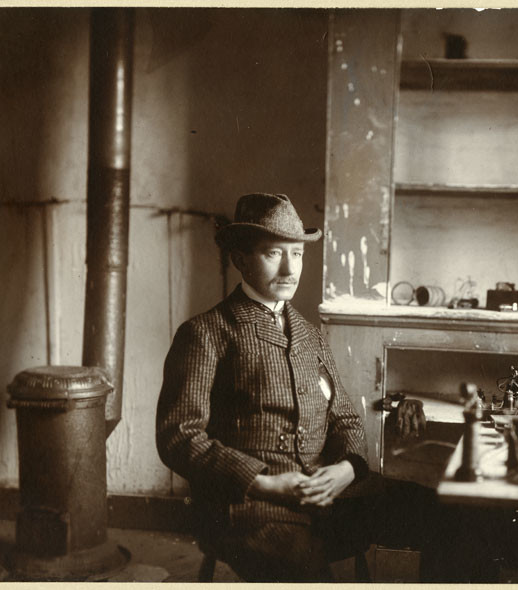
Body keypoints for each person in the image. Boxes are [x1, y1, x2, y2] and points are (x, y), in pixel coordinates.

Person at [156, 192, 368, 582]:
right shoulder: (206, 333)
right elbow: (178, 436)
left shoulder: (310, 336)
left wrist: (346, 470)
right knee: (308, 575)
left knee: (442, 516)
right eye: (273, 253)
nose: (290, 269)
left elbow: (348, 420)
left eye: (298, 254)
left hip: (326, 497)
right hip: (245, 506)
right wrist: (264, 482)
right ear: (240, 258)